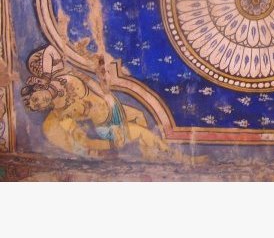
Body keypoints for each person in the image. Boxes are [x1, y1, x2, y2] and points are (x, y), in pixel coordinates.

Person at [22, 45, 173, 160]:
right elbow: (81, 139)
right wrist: (100, 147)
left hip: (112, 106)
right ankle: (164, 156)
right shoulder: (60, 112)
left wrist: (106, 96)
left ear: (37, 88)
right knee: (142, 133)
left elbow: (51, 49)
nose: (40, 102)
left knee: (139, 115)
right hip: (106, 124)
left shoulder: (57, 74)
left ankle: (149, 155)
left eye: (35, 99)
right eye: (38, 106)